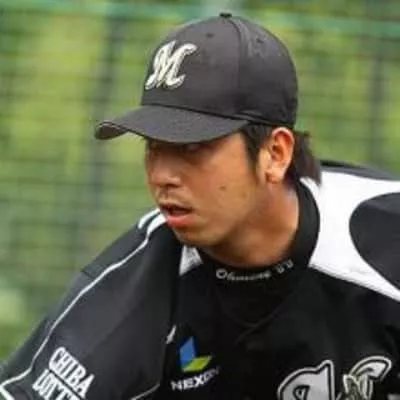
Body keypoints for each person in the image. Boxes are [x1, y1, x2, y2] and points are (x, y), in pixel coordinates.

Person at [1, 12, 400, 400]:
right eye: (153, 147)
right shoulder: (131, 294)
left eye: (192, 148)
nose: (162, 176)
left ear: (275, 153)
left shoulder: (385, 235)